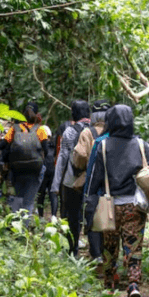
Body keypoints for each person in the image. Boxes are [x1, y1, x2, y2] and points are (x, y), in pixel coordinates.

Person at [86, 104, 149, 297]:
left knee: (109, 246)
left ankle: (110, 282)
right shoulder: (141, 145)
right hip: (134, 205)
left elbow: (93, 179)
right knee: (134, 247)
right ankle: (133, 284)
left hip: (110, 205)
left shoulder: (103, 146)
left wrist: (88, 205)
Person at [0, 102, 51, 221]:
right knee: (28, 202)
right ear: (37, 115)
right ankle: (24, 231)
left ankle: (15, 227)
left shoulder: (14, 129)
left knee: (18, 198)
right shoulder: (40, 130)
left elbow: (2, 145)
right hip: (34, 170)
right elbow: (47, 150)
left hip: (17, 169)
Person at [51, 100, 90, 256]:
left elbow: (63, 158)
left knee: (72, 215)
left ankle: (72, 249)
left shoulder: (69, 131)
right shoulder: (95, 131)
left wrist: (55, 185)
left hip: (71, 180)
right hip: (91, 180)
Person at [74, 99, 111, 261]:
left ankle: (96, 255)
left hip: (92, 182)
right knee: (109, 217)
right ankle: (109, 254)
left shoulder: (87, 133)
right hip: (113, 183)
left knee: (92, 216)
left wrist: (82, 167)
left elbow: (80, 155)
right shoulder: (115, 132)